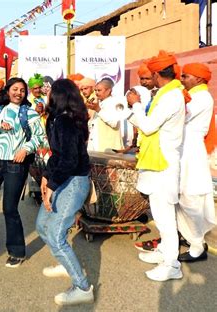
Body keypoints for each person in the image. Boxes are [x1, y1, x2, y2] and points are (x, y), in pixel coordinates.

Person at [125, 50, 185, 281]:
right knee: (160, 214)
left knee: (165, 215)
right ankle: (164, 252)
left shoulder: (171, 97)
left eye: (151, 75)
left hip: (164, 163)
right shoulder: (166, 94)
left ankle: (172, 265)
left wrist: (136, 105)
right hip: (158, 160)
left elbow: (148, 127)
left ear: (159, 74)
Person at [35, 79, 93, 306]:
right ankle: (64, 262)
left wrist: (51, 186)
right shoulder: (57, 119)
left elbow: (69, 160)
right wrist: (46, 176)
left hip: (74, 182)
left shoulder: (66, 121)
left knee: (56, 236)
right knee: (42, 226)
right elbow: (57, 155)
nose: (46, 96)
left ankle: (82, 287)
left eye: (50, 92)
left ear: (58, 96)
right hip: (62, 179)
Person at [0, 77, 45, 267]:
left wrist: (26, 149)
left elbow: (41, 137)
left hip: (16, 164)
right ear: (7, 91)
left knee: (9, 208)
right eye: (15, 89)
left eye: (22, 90)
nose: (18, 93)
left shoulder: (29, 113)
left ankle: (17, 251)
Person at [176, 63, 216, 262]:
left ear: (199, 79)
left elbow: (180, 114)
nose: (182, 79)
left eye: (186, 76)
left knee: (191, 199)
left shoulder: (202, 97)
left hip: (192, 152)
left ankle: (197, 245)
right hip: (184, 151)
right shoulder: (192, 95)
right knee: (180, 198)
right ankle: (192, 239)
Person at [87, 78, 124, 152]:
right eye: (95, 90)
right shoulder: (99, 103)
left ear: (108, 90)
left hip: (108, 149)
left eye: (99, 90)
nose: (97, 93)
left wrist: (98, 109)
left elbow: (114, 123)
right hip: (95, 148)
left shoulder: (115, 103)